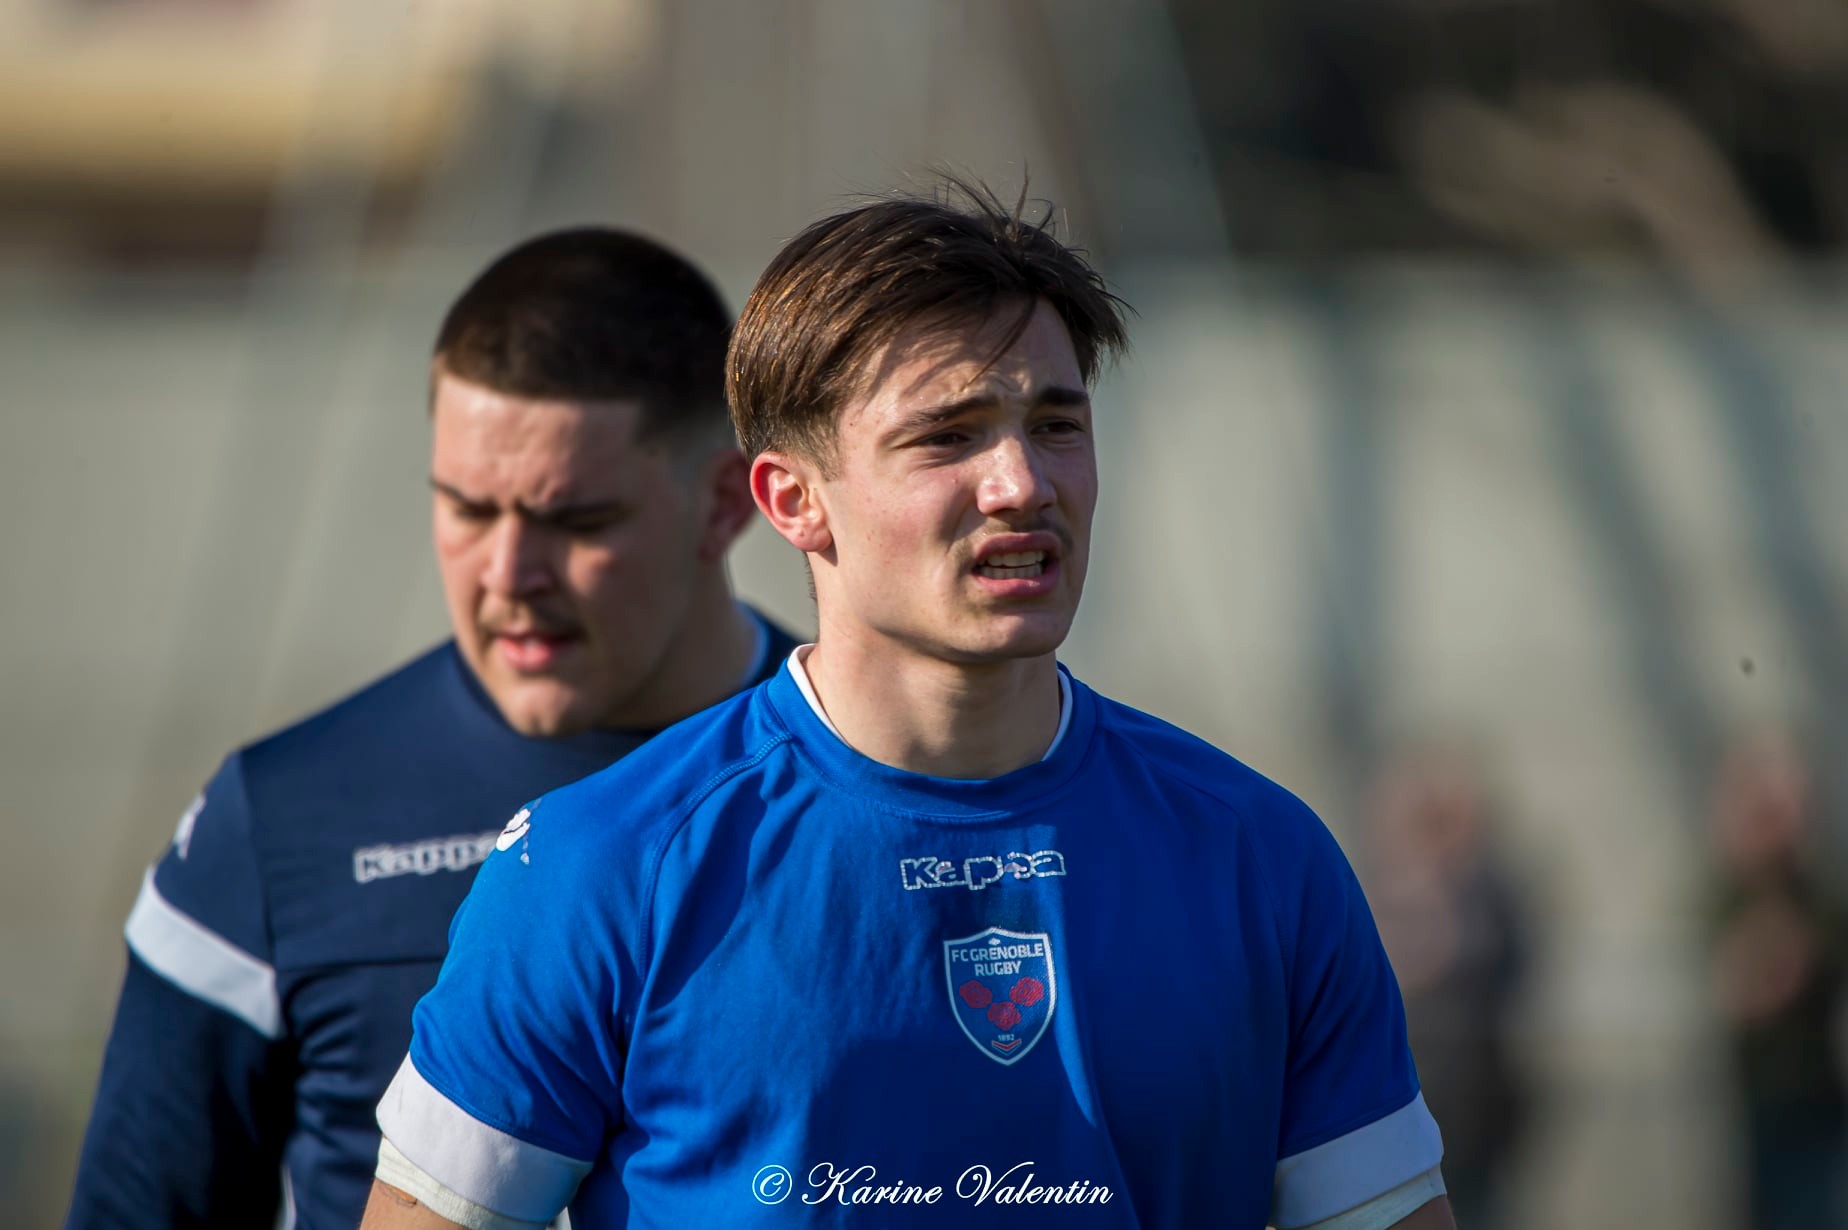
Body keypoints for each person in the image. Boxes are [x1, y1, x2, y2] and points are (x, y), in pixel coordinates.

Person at [361, 184, 1452, 1230]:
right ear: (793, 500)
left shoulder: (1260, 855)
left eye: (1056, 425)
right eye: (948, 435)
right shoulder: (600, 867)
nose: (1023, 483)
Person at [65, 228, 800, 1230]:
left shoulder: (888, 783)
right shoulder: (281, 820)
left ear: (723, 502)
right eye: (467, 509)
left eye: (576, 522)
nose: (508, 574)